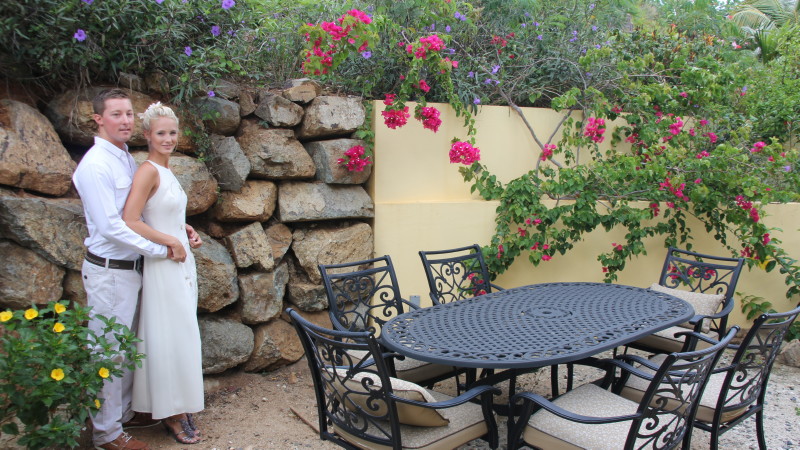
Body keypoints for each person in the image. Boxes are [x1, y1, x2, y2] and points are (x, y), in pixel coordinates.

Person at [73, 89, 199, 450]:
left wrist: (180, 230)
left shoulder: (126, 158)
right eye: (116, 114)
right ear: (98, 119)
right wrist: (164, 247)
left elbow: (148, 210)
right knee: (108, 350)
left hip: (136, 267)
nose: (125, 120)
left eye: (129, 113)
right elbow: (114, 226)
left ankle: (125, 414)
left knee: (130, 348)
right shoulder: (96, 165)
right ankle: (107, 434)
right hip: (110, 270)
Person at [122, 102, 205, 445]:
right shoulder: (148, 171)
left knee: (182, 333)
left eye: (172, 132)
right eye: (161, 133)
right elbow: (131, 219)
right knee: (166, 335)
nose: (168, 138)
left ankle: (182, 406)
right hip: (163, 263)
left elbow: (162, 212)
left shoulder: (167, 170)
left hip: (181, 261)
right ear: (147, 135)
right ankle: (170, 414)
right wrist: (170, 239)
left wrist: (185, 229)